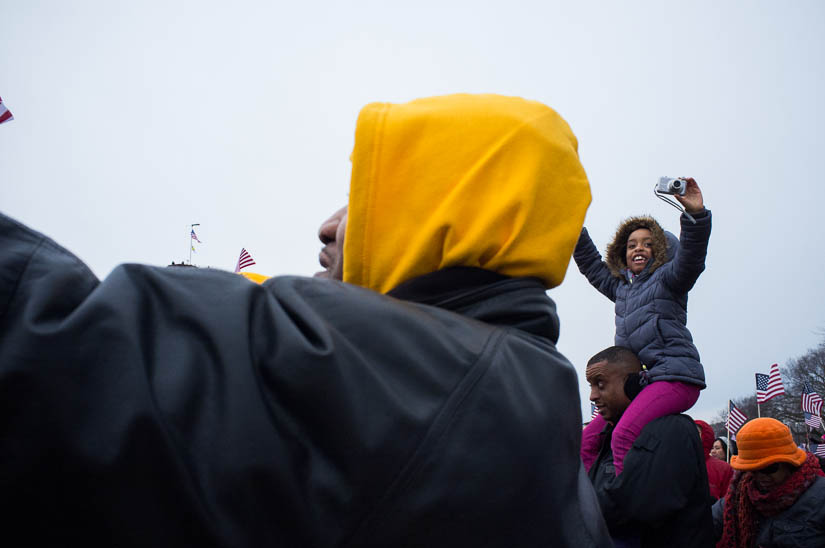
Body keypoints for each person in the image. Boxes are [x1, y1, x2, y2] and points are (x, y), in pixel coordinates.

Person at [0, 94, 611, 546]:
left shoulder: (400, 372)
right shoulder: (527, 397)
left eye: (367, 198)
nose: (327, 223)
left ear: (447, 216)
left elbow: (57, 351)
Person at [575, 178, 712, 476]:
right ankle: (584, 508)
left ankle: (629, 503)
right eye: (632, 245)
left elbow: (691, 259)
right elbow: (590, 265)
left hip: (675, 378)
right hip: (638, 386)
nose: (638, 248)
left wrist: (696, 217)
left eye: (648, 244)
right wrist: (571, 223)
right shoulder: (621, 289)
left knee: (623, 436)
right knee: (586, 441)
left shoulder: (670, 280)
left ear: (662, 251)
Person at [586, 346, 714, 547]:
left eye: (600, 385)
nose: (592, 396)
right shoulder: (607, 436)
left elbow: (634, 508)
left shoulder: (672, 430)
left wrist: (569, 507)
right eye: (591, 386)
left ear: (633, 384)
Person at [713, 417, 825, 547]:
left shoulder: (820, 496)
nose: (760, 476)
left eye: (769, 468)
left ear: (789, 463)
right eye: (752, 470)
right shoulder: (738, 496)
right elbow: (702, 526)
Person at [696, 420, 734, 501]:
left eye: (697, 432)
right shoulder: (676, 463)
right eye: (713, 448)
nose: (713, 451)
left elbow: (728, 501)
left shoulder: (724, 468)